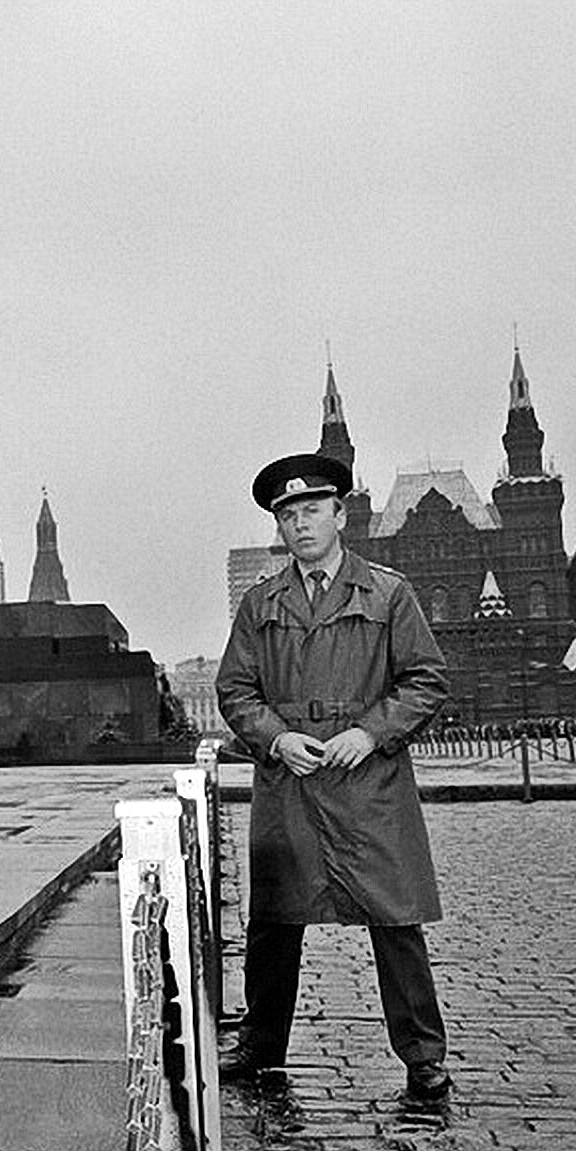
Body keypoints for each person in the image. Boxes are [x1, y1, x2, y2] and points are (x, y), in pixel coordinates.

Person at [213, 452, 455, 1099]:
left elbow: (426, 680)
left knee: (395, 920)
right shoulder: (261, 603)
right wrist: (276, 737)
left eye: (312, 510)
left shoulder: (388, 592)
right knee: (275, 923)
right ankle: (261, 1044)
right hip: (291, 780)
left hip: (366, 782)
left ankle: (423, 1056)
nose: (301, 524)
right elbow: (235, 690)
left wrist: (370, 731)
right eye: (288, 514)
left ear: (339, 514)